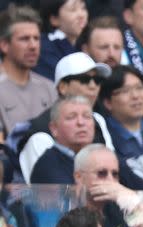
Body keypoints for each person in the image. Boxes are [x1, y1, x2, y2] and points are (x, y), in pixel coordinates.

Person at [18, 51, 112, 184]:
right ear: (62, 87)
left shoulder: (98, 120)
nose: (93, 86)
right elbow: (44, 192)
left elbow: (113, 170)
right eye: (84, 80)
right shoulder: (39, 135)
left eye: (97, 80)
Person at [0, 4, 59, 139]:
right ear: (4, 45)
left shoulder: (49, 88)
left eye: (36, 38)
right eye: (24, 39)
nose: (33, 46)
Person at [30, 95, 95, 184]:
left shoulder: (102, 158)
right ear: (54, 128)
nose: (81, 122)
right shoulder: (47, 166)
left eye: (87, 116)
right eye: (71, 117)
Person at [99, 65, 143, 161]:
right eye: (125, 91)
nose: (135, 96)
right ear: (108, 102)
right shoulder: (104, 138)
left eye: (139, 88)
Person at [34, 0, 88, 81]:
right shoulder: (44, 48)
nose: (81, 15)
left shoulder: (81, 46)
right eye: (73, 9)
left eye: (83, 8)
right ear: (54, 19)